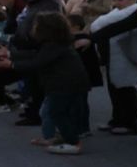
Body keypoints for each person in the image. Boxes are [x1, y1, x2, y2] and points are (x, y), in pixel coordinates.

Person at [5, 11, 88, 155]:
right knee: (52, 111)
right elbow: (36, 57)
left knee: (57, 113)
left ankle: (73, 142)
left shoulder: (53, 45)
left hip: (64, 84)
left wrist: (12, 64)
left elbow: (37, 62)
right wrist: (11, 56)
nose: (33, 28)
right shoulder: (55, 43)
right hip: (66, 84)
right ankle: (57, 137)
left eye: (36, 26)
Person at [88, 0, 137, 135]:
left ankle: (130, 122)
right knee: (115, 89)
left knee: (127, 88)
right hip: (113, 55)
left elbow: (101, 26)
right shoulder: (118, 12)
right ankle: (117, 119)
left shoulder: (135, 11)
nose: (116, 3)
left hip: (127, 55)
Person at [10, 0, 65, 127]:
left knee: (37, 84)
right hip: (29, 46)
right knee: (31, 83)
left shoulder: (51, 3)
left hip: (37, 47)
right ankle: (32, 110)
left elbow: (48, 27)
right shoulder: (36, 2)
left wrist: (31, 39)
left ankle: (37, 114)